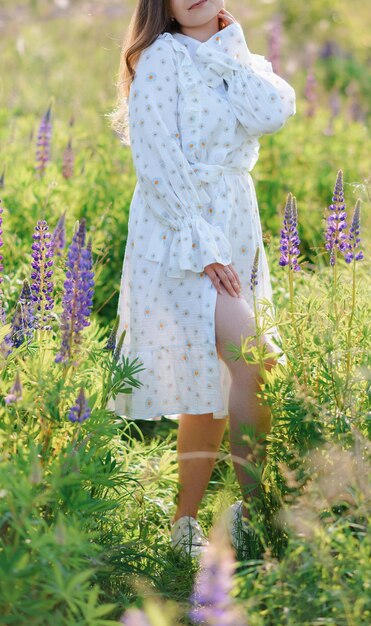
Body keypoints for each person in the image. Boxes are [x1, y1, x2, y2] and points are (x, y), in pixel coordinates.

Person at [107, 0, 296, 558]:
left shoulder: (240, 58)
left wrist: (231, 46)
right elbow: (156, 159)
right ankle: (255, 514)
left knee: (211, 386)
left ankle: (185, 525)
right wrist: (202, 239)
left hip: (235, 223)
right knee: (253, 359)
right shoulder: (161, 58)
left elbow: (272, 112)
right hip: (178, 235)